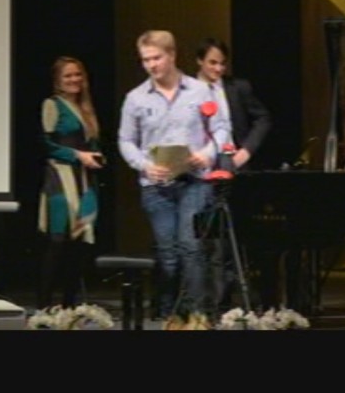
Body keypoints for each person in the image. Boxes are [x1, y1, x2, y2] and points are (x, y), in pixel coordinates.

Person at [118, 30, 231, 318]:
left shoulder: (199, 90)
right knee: (168, 253)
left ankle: (197, 315)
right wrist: (144, 164)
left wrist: (206, 154)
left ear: (172, 55)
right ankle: (167, 313)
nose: (151, 65)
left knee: (191, 246)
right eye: (145, 60)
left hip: (194, 180)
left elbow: (221, 128)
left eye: (156, 58)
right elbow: (126, 140)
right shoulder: (135, 98)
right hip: (156, 184)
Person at [193, 37, 278, 314]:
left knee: (234, 237)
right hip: (200, 166)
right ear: (199, 62)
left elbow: (263, 118)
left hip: (233, 163)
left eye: (222, 63)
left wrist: (246, 151)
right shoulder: (187, 89)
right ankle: (210, 303)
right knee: (207, 238)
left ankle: (236, 302)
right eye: (212, 63)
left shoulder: (238, 88)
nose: (218, 69)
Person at [37, 56, 104, 309]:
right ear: (57, 80)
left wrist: (96, 157)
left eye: (77, 74)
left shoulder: (86, 108)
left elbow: (92, 144)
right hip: (60, 179)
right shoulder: (52, 105)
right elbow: (45, 144)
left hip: (85, 181)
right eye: (68, 75)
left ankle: (69, 307)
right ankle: (44, 306)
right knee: (58, 241)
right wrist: (77, 155)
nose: (74, 79)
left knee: (79, 244)